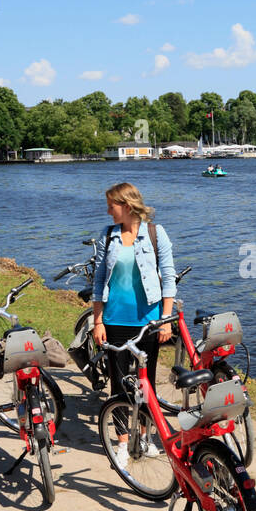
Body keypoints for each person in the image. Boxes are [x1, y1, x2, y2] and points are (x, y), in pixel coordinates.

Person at [90, 182, 176, 468]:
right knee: (118, 384)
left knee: (145, 382)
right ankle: (123, 444)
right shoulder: (108, 236)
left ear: (126, 206)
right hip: (115, 320)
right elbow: (100, 279)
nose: (107, 210)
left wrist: (164, 320)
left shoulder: (155, 233)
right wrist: (98, 320)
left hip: (149, 322)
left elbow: (168, 275)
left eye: (111, 205)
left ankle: (145, 436)